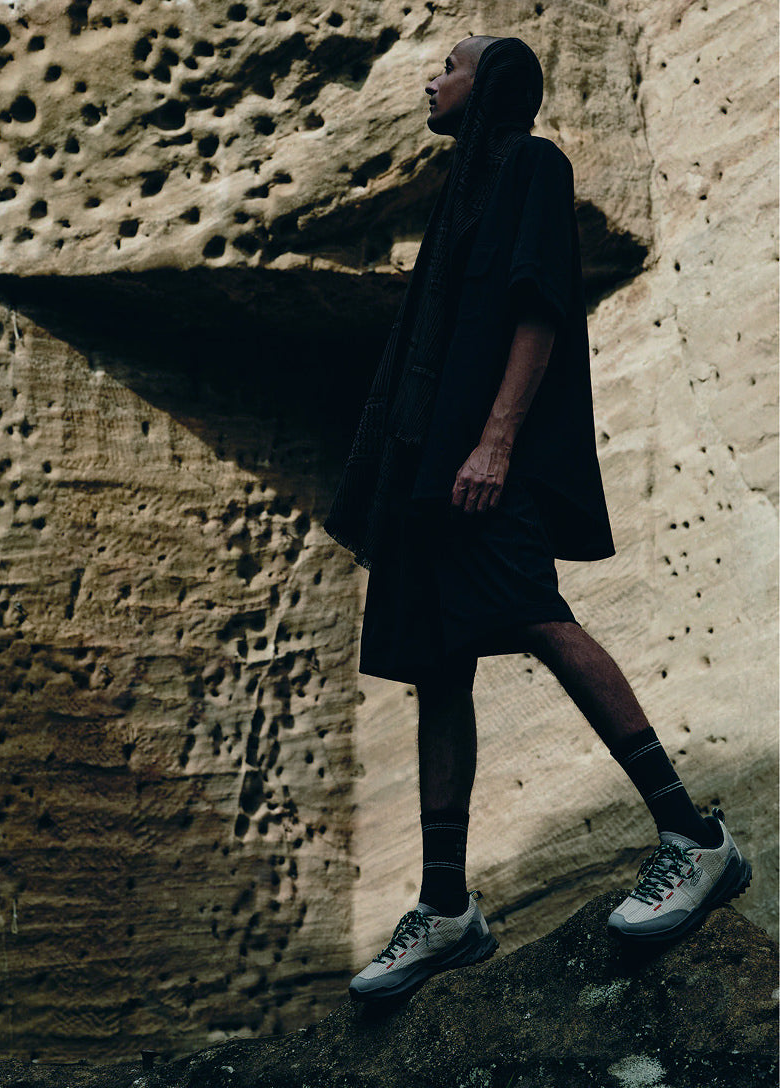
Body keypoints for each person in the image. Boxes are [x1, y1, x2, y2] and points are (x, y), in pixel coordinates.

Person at [323, 35, 752, 1003]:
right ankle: (445, 906)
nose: (431, 79)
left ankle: (692, 835)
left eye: (450, 65)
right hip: (422, 468)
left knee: (538, 617)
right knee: (437, 668)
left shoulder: (531, 163)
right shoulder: (461, 191)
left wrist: (496, 442)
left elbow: (539, 307)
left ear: (495, 83)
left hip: (478, 461)